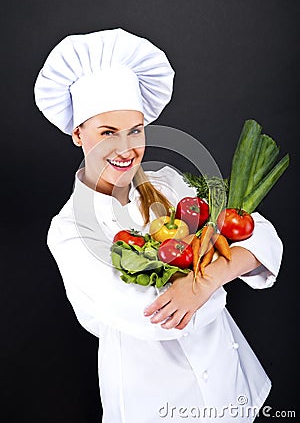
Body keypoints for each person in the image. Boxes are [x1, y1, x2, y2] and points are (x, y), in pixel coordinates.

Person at [34, 28, 283, 423]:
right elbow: (162, 318)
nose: (126, 148)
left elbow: (262, 233)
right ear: (78, 133)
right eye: (107, 133)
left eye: (135, 129)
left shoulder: (169, 182)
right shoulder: (69, 231)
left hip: (232, 385)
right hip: (156, 405)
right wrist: (224, 269)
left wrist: (201, 281)